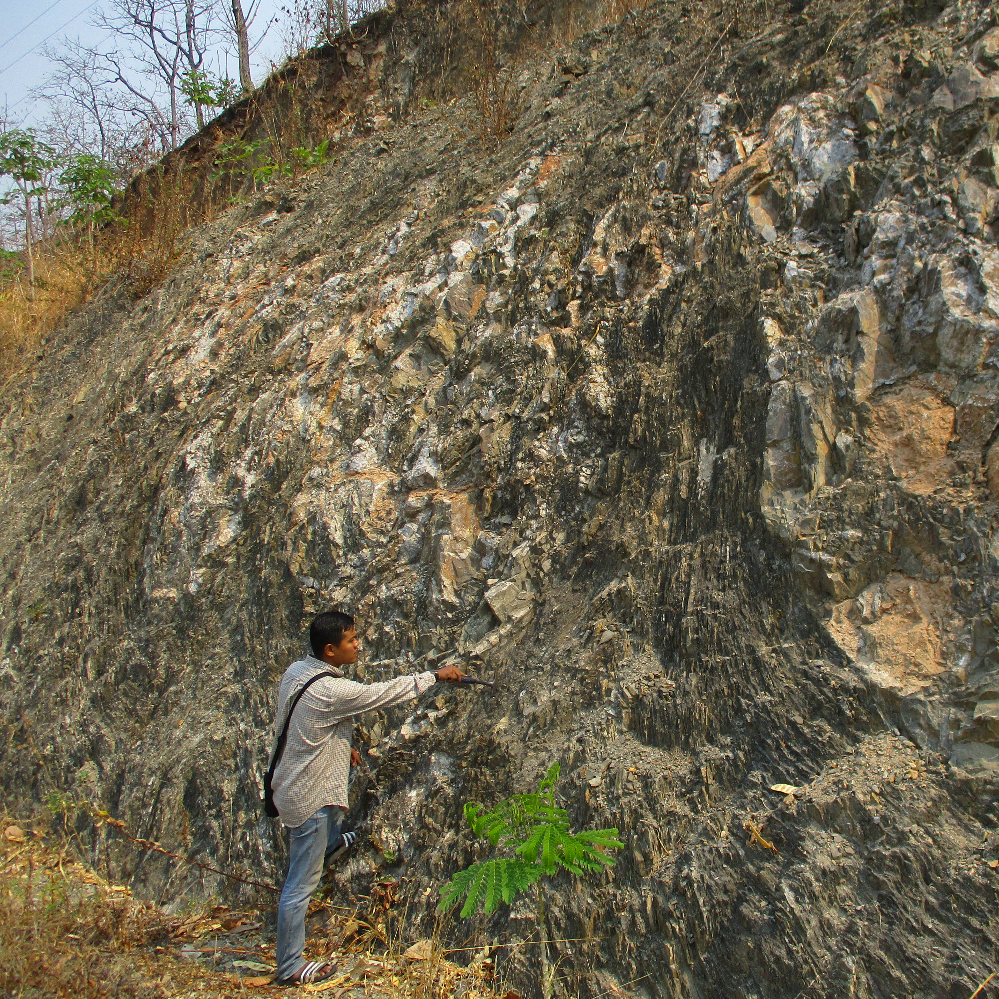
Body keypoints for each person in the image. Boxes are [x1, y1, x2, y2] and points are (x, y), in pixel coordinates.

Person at [269, 609, 464, 985]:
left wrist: (341, 745)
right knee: (299, 885)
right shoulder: (332, 689)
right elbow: (378, 696)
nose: (358, 645)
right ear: (329, 650)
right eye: (351, 641)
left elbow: (297, 722)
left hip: (290, 783)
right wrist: (434, 676)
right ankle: (290, 967)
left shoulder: (298, 671)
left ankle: (327, 846)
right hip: (310, 796)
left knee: (320, 840)